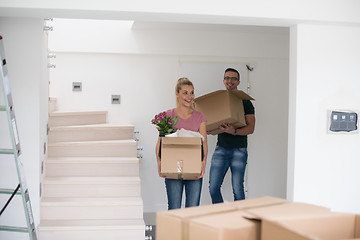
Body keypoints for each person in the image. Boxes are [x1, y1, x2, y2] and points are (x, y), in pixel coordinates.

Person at [155, 77, 208, 210]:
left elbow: (204, 143)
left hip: (194, 169)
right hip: (173, 168)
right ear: (177, 93)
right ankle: (173, 232)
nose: (189, 96)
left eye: (192, 92)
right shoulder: (167, 116)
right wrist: (159, 162)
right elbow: (161, 143)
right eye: (185, 92)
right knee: (174, 209)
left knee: (192, 210)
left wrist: (203, 164)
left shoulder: (200, 117)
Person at [208, 68, 255, 204]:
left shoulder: (245, 102)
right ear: (223, 81)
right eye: (227, 78)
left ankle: (239, 221)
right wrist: (212, 129)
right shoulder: (220, 100)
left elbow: (251, 128)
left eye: (234, 78)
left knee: (238, 189)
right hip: (221, 148)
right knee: (213, 188)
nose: (230, 81)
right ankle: (222, 216)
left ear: (238, 82)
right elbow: (216, 122)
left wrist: (234, 131)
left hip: (239, 149)